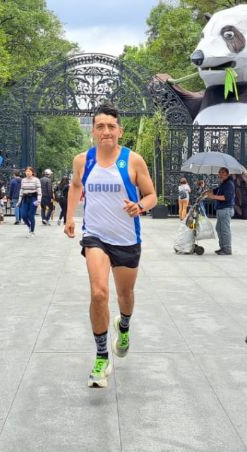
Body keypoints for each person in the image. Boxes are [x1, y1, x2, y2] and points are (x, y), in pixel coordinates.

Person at [64, 103, 157, 388]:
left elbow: (152, 195)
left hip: (127, 239)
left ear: (120, 131)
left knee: (125, 295)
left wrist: (139, 206)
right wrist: (69, 217)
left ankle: (124, 325)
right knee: (99, 292)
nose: (106, 131)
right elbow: (76, 186)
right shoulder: (83, 160)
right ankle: (102, 357)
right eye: (100, 126)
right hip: (96, 236)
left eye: (111, 126)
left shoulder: (133, 161)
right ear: (93, 131)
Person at [204, 167, 235, 255]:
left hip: (226, 209)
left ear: (227, 174)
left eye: (222, 173)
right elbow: (216, 190)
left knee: (225, 230)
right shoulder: (223, 184)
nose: (220, 174)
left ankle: (227, 249)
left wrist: (213, 197)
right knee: (219, 229)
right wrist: (208, 191)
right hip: (221, 210)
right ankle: (222, 247)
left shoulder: (229, 184)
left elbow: (225, 197)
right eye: (219, 172)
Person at [19, 166, 42, 237]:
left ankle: (32, 231)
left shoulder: (36, 180)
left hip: (33, 198)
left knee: (31, 215)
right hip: (25, 198)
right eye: (26, 171)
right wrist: (19, 201)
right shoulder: (23, 180)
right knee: (23, 215)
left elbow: (39, 191)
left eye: (29, 171)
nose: (28, 172)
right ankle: (29, 226)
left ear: (32, 172)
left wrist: (38, 201)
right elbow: (21, 191)